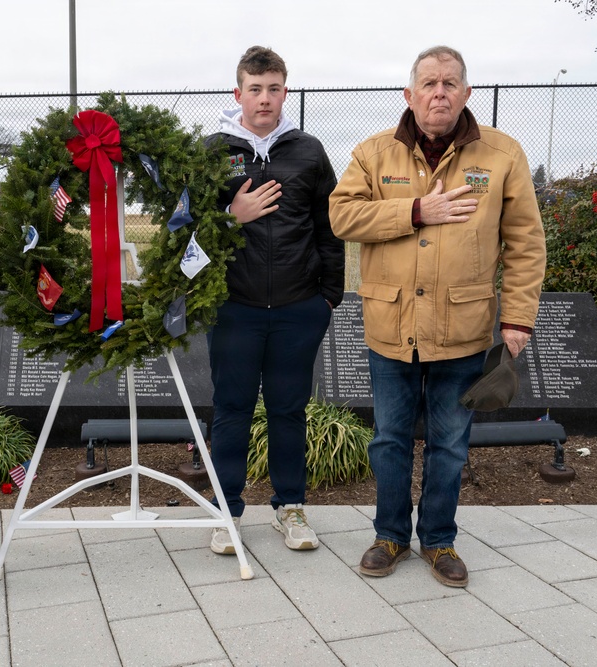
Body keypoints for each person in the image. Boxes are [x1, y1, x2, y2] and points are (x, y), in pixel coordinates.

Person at [328, 46, 546, 587]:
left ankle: (440, 540)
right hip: (391, 328)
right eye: (428, 83)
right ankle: (389, 535)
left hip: (464, 331)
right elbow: (341, 215)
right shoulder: (374, 154)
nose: (439, 93)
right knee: (390, 440)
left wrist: (517, 319)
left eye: (451, 83)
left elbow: (525, 242)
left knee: (450, 443)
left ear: (467, 93)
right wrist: (416, 210)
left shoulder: (502, 155)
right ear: (409, 94)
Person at [205, 46, 345, 555]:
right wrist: (230, 216)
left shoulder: (308, 150)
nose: (265, 99)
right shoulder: (210, 150)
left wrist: (329, 296)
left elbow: (329, 229)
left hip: (297, 308)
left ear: (286, 91)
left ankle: (291, 507)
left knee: (289, 410)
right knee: (232, 409)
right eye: (255, 89)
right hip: (234, 308)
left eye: (274, 88)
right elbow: (184, 229)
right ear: (237, 93)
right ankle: (227, 512)